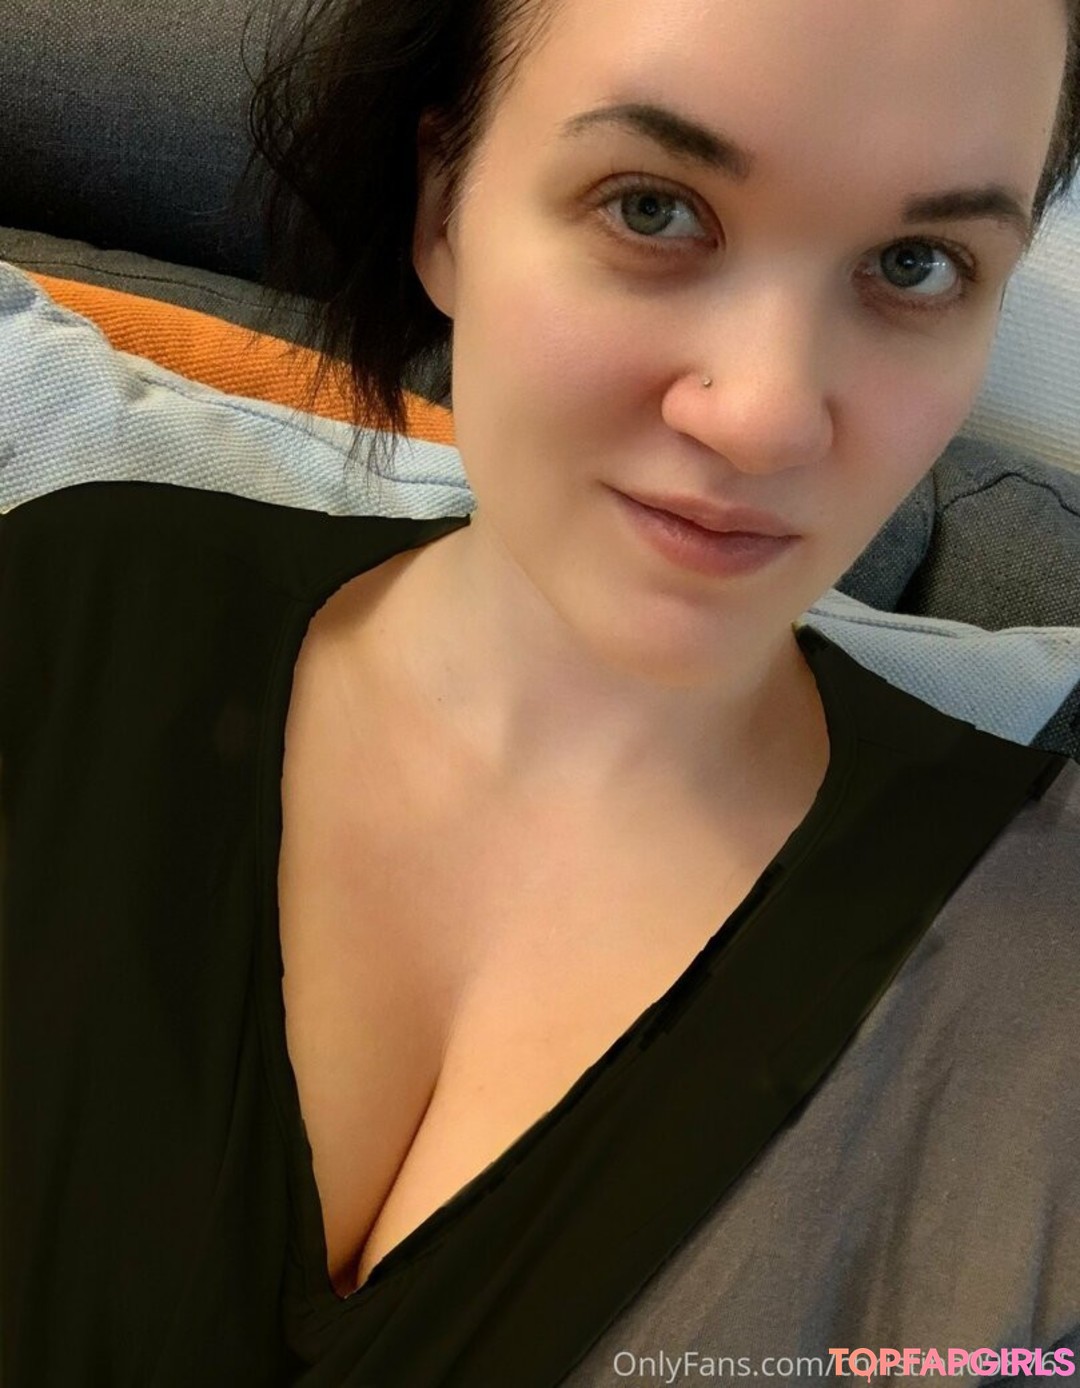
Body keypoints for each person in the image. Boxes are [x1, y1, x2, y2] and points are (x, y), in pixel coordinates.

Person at [1, 0, 1078, 1384]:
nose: (764, 414)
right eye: (652, 207)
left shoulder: (1038, 986)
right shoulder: (68, 612)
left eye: (917, 265)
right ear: (443, 207)